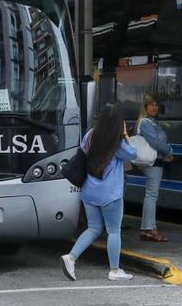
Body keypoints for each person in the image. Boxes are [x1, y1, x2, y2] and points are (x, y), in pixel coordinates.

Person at [61, 104, 137, 281]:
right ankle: (115, 270)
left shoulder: (90, 135)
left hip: (89, 191)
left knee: (93, 228)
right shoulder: (116, 142)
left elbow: (84, 152)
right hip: (110, 194)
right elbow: (133, 154)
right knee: (113, 231)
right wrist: (125, 134)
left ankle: (70, 257)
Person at [137, 95, 174, 242]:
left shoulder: (153, 122)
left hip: (156, 161)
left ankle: (147, 228)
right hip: (153, 162)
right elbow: (155, 142)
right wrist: (169, 151)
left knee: (151, 194)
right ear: (145, 108)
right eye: (151, 105)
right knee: (152, 195)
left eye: (156, 105)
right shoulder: (146, 123)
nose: (154, 108)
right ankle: (149, 229)